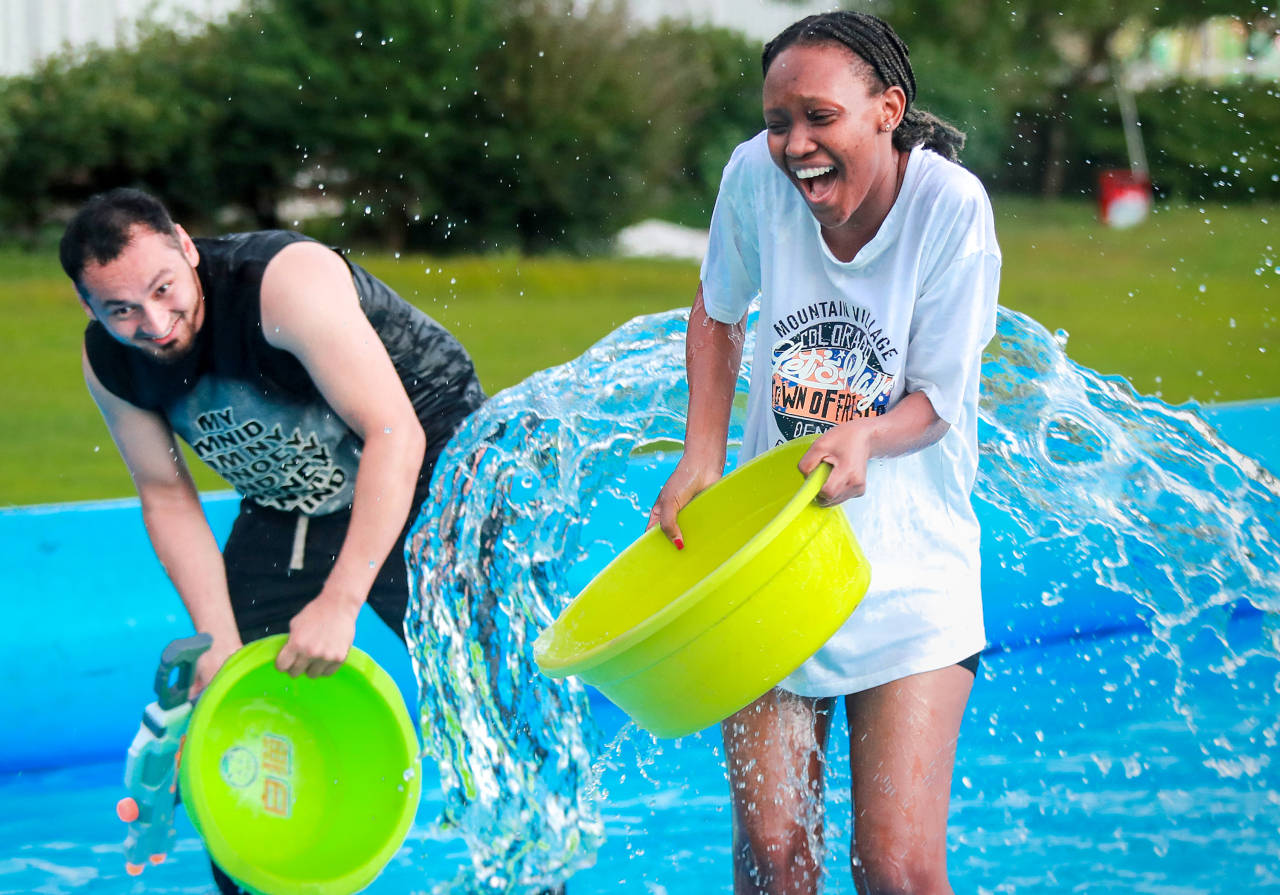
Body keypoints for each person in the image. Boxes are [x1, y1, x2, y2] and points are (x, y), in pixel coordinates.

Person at [648, 12, 1000, 895]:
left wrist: (867, 436)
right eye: (777, 122)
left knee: (895, 869)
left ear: (888, 108)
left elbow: (939, 403)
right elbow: (716, 310)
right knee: (774, 859)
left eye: (818, 117)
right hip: (772, 568)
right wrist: (702, 453)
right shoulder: (754, 181)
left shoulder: (950, 208)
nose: (793, 145)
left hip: (911, 575)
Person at [60, 188, 485, 894]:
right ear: (90, 308)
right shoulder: (111, 362)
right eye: (121, 310)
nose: (156, 324)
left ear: (188, 247)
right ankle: (268, 875)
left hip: (430, 466)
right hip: (292, 498)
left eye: (164, 289)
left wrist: (341, 600)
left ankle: (532, 875)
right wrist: (219, 641)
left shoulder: (283, 284)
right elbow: (166, 494)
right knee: (238, 704)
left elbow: (394, 433)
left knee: (478, 690)